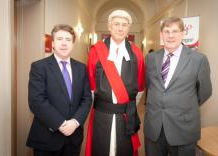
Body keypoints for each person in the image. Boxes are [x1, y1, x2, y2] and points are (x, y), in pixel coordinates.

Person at [144, 17, 212, 156]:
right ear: (161, 34)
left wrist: (183, 105)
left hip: (183, 128)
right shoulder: (151, 58)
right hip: (154, 126)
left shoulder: (198, 60)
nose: (170, 35)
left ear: (183, 33)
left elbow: (204, 92)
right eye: (166, 31)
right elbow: (149, 85)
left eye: (175, 31)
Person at [85, 10, 145, 156]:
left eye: (124, 25)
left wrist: (125, 105)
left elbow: (140, 86)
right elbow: (90, 83)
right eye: (116, 24)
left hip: (125, 114)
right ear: (109, 27)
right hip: (101, 112)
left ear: (128, 29)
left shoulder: (137, 53)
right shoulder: (96, 51)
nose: (120, 28)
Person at [26, 24, 92, 156]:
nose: (64, 43)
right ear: (53, 43)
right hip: (46, 138)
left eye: (68, 40)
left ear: (73, 44)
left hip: (74, 138)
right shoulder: (39, 67)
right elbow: (36, 101)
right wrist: (61, 124)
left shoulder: (81, 68)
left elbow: (86, 99)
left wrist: (75, 122)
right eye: (59, 39)